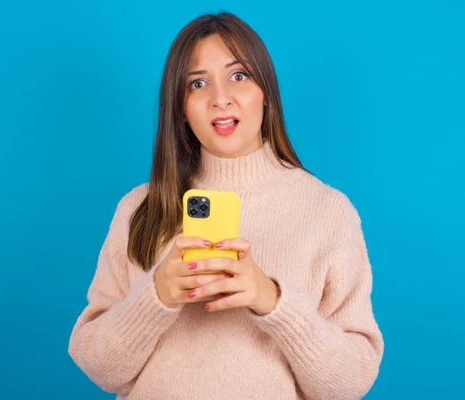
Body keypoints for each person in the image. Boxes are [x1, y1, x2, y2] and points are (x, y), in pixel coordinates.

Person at [68, 11, 384, 400]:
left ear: (265, 91)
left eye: (239, 75)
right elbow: (98, 366)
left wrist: (272, 300)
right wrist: (156, 296)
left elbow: (350, 384)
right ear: (181, 108)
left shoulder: (328, 211)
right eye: (197, 83)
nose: (220, 98)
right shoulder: (139, 208)